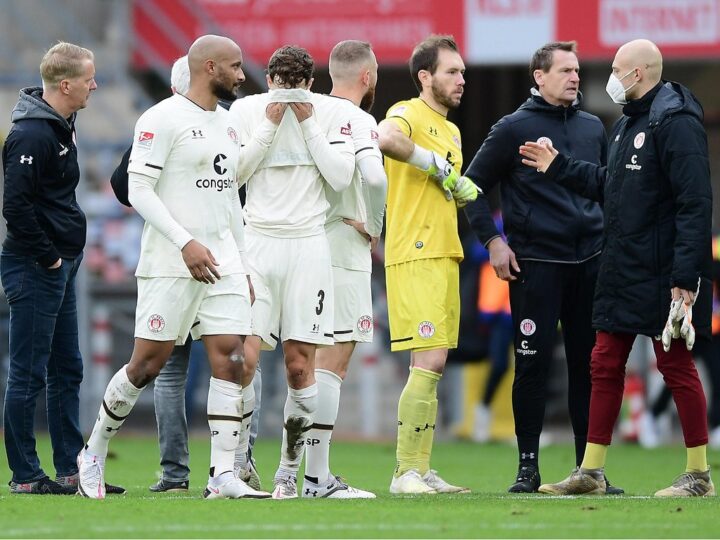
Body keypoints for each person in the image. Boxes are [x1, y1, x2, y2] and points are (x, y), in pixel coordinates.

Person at [76, 34, 271, 500]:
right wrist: (185, 243)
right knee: (146, 366)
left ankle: (223, 474)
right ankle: (94, 452)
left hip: (222, 261)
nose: (242, 75)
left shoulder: (228, 124)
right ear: (208, 67)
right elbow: (138, 191)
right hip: (171, 263)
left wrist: (242, 267)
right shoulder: (159, 120)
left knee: (234, 359)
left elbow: (229, 202)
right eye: (235, 66)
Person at [520, 39, 714, 497]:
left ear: (639, 73)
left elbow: (695, 204)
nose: (609, 76)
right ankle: (591, 471)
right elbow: (611, 186)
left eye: (615, 69)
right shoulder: (627, 123)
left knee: (676, 365)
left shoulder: (677, 122)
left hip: (664, 272)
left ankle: (699, 475)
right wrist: (558, 167)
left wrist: (685, 280)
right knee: (603, 363)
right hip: (622, 267)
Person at [462, 41, 622, 494]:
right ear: (539, 76)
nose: (575, 77)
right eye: (565, 70)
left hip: (590, 264)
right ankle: (527, 468)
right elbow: (471, 187)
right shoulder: (514, 128)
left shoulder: (594, 126)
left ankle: (588, 470)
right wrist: (493, 241)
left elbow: (610, 190)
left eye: (577, 70)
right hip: (536, 266)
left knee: (589, 367)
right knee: (531, 368)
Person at [228, 45, 356, 499]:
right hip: (257, 244)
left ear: (310, 85)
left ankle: (288, 470)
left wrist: (303, 121)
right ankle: (236, 464)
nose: (282, 95)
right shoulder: (245, 110)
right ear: (267, 80)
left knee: (301, 364)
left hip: (307, 246)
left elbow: (342, 178)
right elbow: (234, 176)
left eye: (293, 87)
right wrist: (269, 122)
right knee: (242, 357)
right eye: (277, 85)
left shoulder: (327, 112)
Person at [0, 41, 118, 495]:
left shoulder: (63, 122)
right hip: (36, 265)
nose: (95, 85)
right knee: (28, 372)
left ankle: (72, 470)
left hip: (59, 264)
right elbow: (16, 206)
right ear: (64, 85)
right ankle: (26, 475)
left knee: (67, 367)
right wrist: (49, 255)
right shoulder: (31, 135)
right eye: (89, 78)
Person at [377, 34, 479, 495]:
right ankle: (405, 472)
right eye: (451, 71)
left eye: (462, 71)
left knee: (434, 362)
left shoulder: (453, 130)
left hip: (444, 251)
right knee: (430, 357)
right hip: (414, 251)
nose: (461, 79)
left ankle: (420, 466)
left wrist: (454, 186)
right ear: (425, 77)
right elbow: (386, 138)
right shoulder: (407, 112)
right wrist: (440, 169)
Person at [290, 40, 386, 499]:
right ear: (366, 77)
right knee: (332, 363)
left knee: (299, 361)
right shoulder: (359, 119)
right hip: (343, 248)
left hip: (297, 244)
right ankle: (315, 479)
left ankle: (282, 473)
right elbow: (375, 178)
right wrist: (376, 225)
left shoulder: (306, 112)